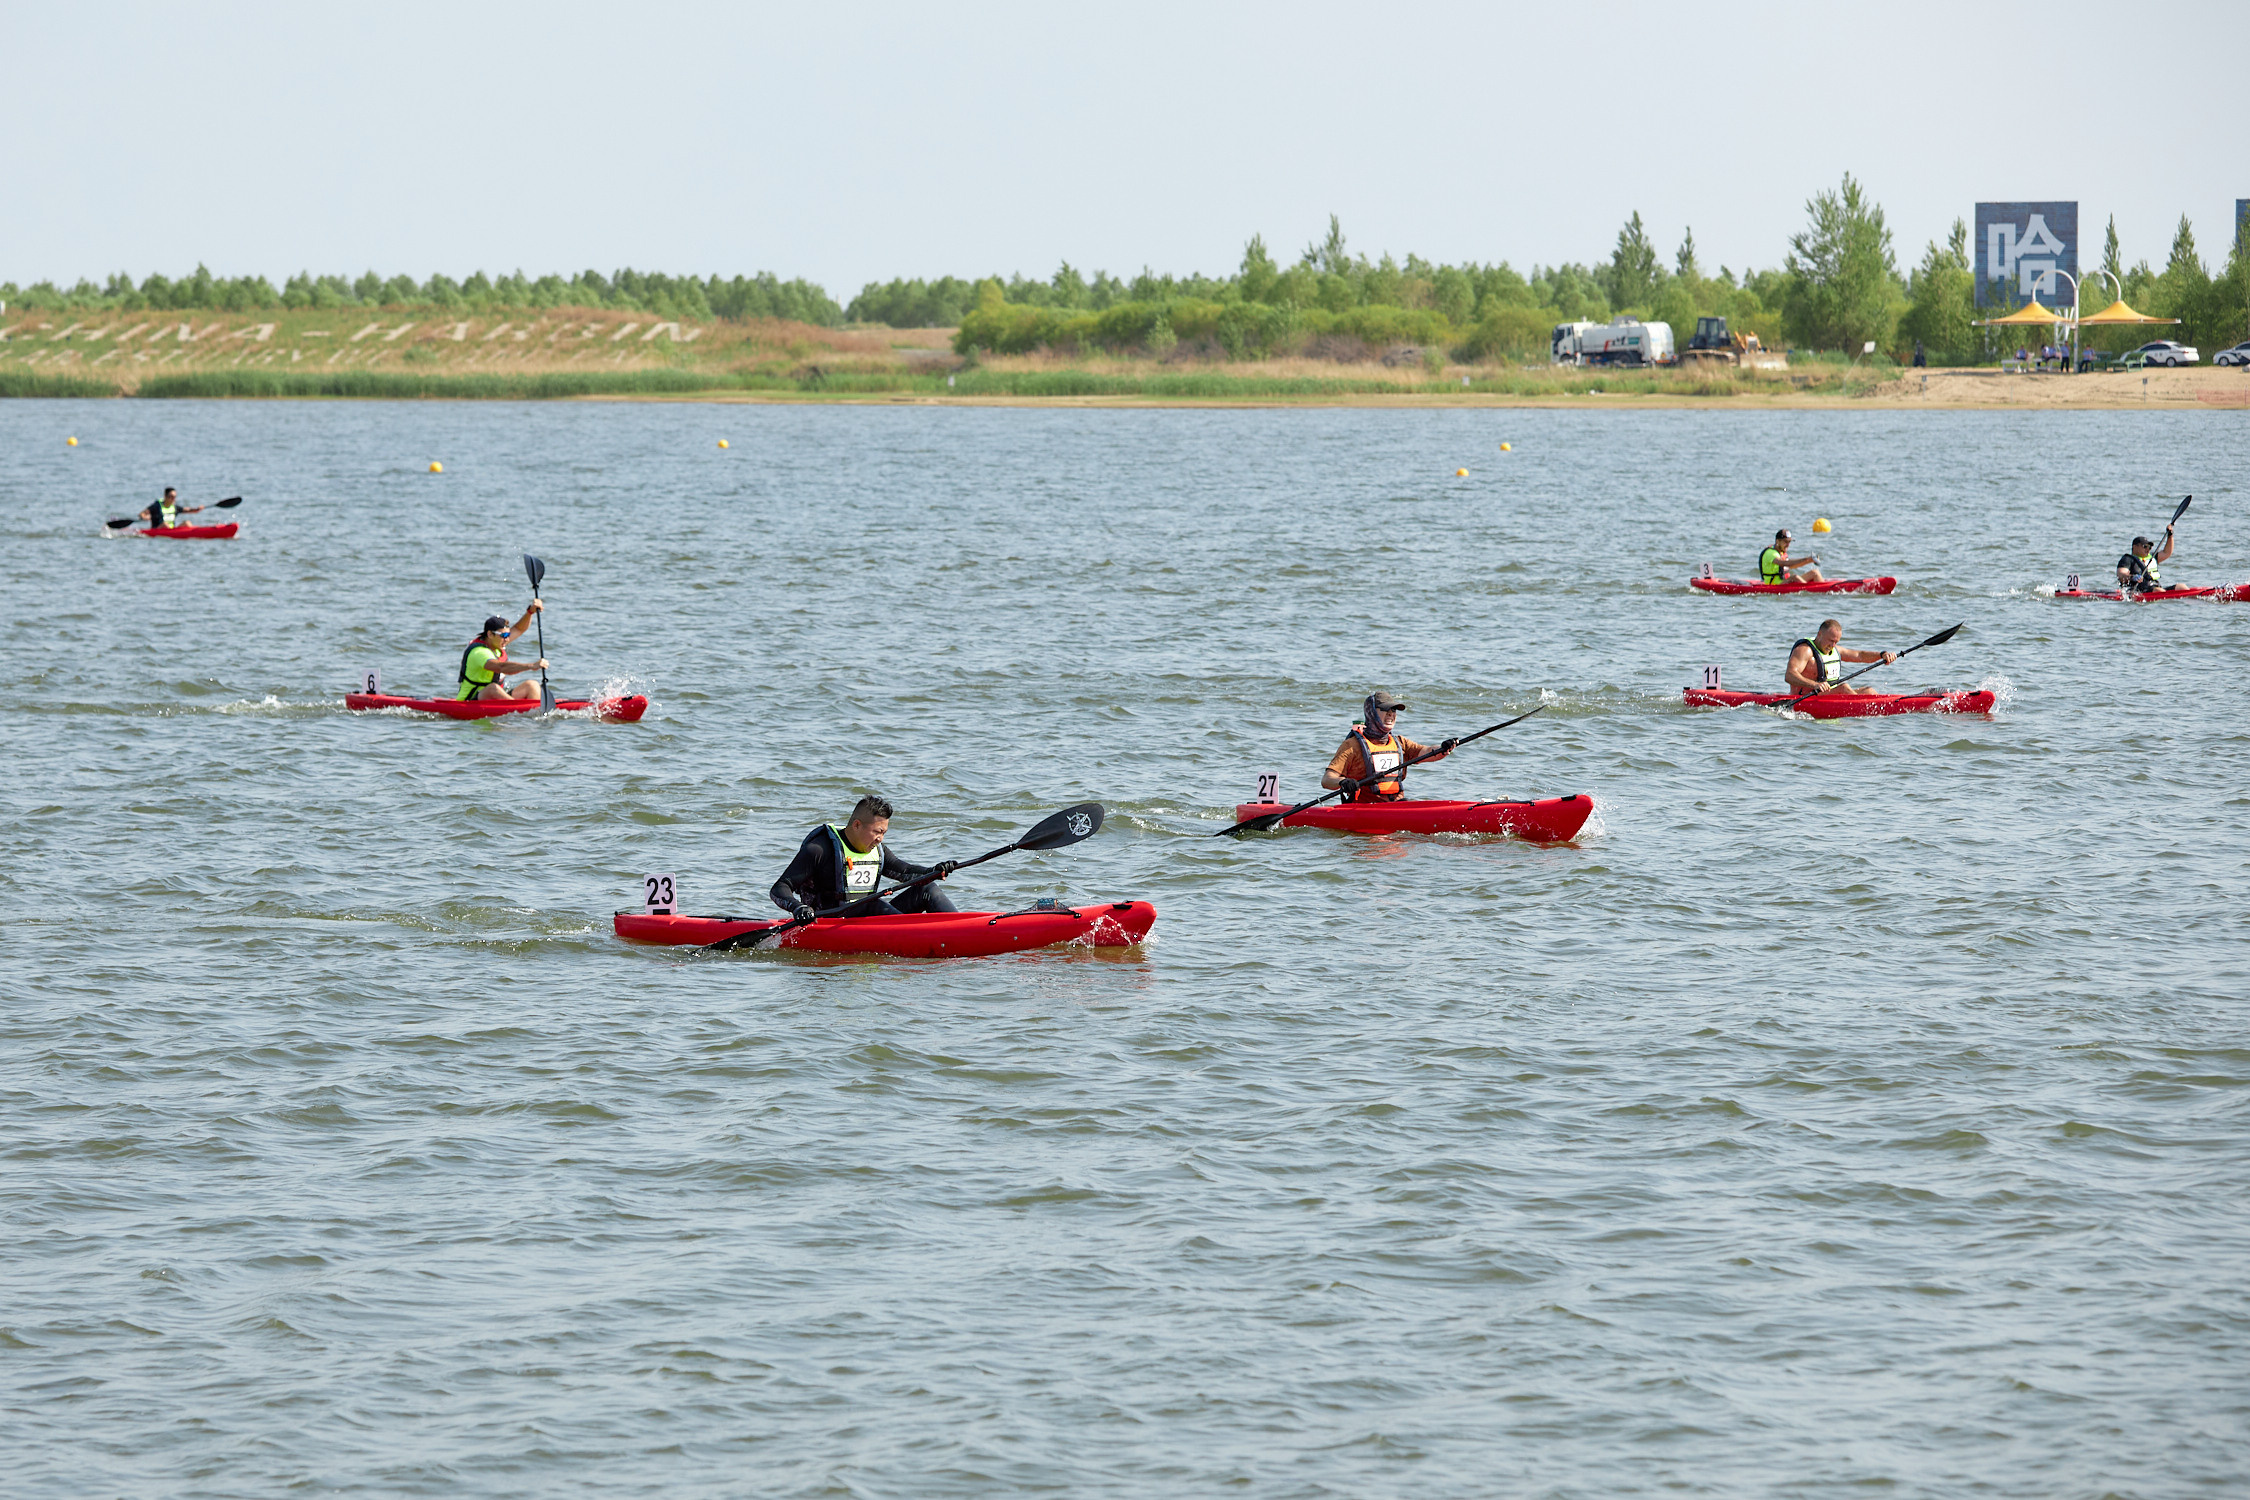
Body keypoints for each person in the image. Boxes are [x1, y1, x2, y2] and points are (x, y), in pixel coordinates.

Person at [769, 795, 959, 920]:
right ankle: (918, 934)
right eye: (877, 832)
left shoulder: (878, 850)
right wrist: (798, 908)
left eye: (884, 833)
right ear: (857, 825)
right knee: (872, 903)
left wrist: (933, 871)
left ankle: (959, 929)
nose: (880, 839)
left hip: (869, 918)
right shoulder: (819, 849)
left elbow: (905, 871)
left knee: (927, 888)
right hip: (830, 922)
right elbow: (780, 888)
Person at [1319, 691, 1456, 802]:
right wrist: (1343, 782)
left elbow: (1428, 752)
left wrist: (1444, 748)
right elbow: (1327, 779)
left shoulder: (1400, 742)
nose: (1391, 713)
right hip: (1364, 808)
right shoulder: (1352, 746)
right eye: (1385, 709)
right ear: (1371, 713)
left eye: (1394, 709)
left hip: (1397, 805)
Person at [455, 602, 548, 701]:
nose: (507, 639)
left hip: (496, 698)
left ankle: (534, 711)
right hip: (470, 701)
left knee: (532, 685)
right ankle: (517, 709)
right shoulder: (479, 652)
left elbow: (519, 629)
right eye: (504, 636)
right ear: (490, 634)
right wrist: (531, 666)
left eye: (508, 635)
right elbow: (501, 667)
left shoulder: (497, 643)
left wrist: (530, 612)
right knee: (493, 688)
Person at [1785, 619, 1895, 696]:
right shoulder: (1804, 650)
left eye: (1836, 642)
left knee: (1869, 691)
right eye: (1831, 641)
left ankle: (1882, 707)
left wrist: (1882, 655)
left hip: (1829, 695)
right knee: (1844, 688)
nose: (1833, 646)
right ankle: (1862, 708)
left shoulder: (1834, 649)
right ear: (1819, 634)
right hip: (1806, 698)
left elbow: (1859, 655)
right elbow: (1789, 675)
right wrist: (1815, 685)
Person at [1758, 528, 1825, 585]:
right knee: (1795, 577)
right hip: (1775, 584)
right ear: (1777, 541)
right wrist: (1807, 559)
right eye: (1786, 542)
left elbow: (1793, 566)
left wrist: (1810, 560)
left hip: (1785, 581)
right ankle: (1815, 590)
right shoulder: (1771, 553)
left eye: (1789, 542)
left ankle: (1822, 590)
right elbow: (1785, 563)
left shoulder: (1781, 552)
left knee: (1815, 572)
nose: (1788, 545)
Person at [135, 487, 203, 529]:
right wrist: (144, 517)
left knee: (187, 523)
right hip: (158, 530)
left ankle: (196, 533)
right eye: (171, 497)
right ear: (165, 496)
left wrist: (197, 509)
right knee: (165, 524)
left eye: (174, 497)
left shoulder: (174, 507)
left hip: (172, 530)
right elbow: (142, 513)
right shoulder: (156, 506)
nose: (173, 499)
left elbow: (188, 510)